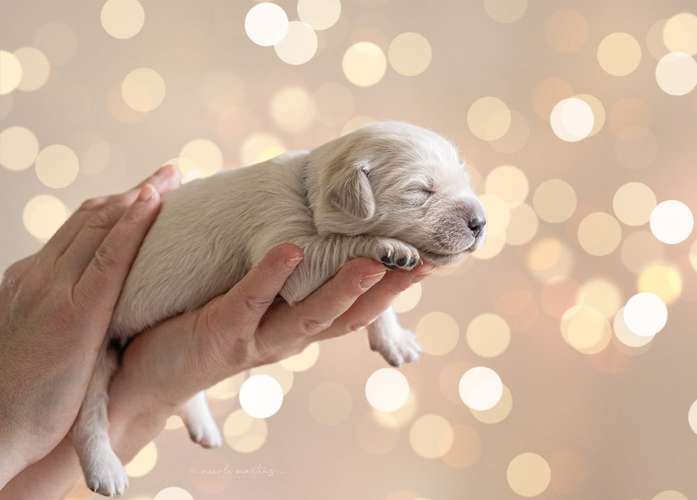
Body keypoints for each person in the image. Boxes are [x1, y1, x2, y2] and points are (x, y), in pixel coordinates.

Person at [0, 165, 432, 498]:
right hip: (111, 320)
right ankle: (99, 438)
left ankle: (178, 399)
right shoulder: (290, 202)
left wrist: (148, 394)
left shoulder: (306, 188)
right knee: (95, 385)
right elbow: (301, 278)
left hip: (150, 313)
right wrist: (11, 426)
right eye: (422, 193)